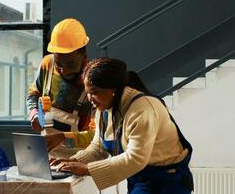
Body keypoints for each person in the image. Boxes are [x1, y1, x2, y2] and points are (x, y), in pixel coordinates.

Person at [51, 58, 194, 193]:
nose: (90, 99)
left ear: (113, 89)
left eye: (95, 92)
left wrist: (86, 169)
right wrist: (72, 162)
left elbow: (134, 158)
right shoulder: (104, 110)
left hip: (168, 180)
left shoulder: (143, 109)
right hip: (140, 177)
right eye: (88, 93)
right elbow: (98, 148)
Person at [26, 18, 95, 157]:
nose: (63, 70)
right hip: (48, 157)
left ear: (84, 56)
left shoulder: (93, 81)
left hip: (80, 160)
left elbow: (95, 137)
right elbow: (33, 95)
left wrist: (64, 137)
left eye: (70, 64)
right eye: (59, 64)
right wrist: (33, 114)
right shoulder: (47, 64)